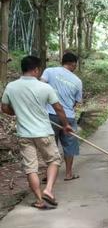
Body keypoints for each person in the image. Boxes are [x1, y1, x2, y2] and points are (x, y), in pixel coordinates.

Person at [1, 56, 73, 209]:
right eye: (39, 69)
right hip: (44, 133)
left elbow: (5, 108)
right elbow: (58, 108)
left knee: (31, 168)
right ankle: (48, 190)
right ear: (35, 69)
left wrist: (16, 112)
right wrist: (66, 125)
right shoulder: (44, 87)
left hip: (24, 135)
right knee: (53, 160)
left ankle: (40, 200)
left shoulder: (11, 86)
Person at [41, 52, 82, 181]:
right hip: (68, 117)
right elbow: (76, 102)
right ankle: (68, 174)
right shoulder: (77, 81)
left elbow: (40, 87)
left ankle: (48, 175)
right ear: (73, 64)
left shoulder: (49, 71)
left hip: (50, 114)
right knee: (69, 145)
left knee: (50, 145)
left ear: (62, 61)